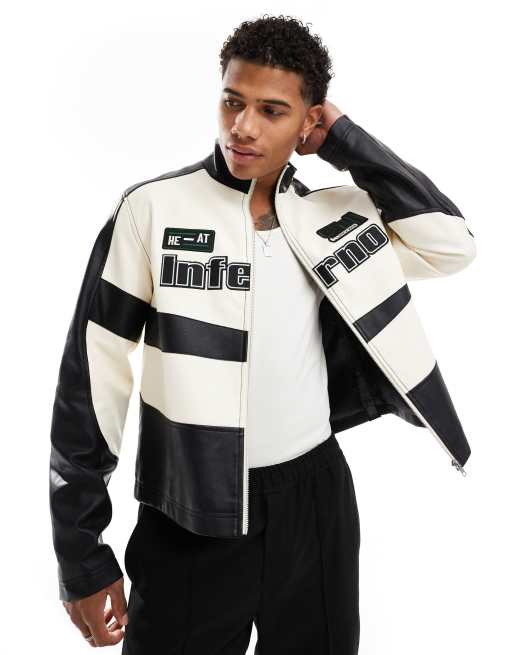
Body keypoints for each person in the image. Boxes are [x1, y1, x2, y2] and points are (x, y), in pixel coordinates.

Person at [49, 14, 476, 654]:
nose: (243, 126)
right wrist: (80, 551)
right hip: (188, 508)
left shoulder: (336, 216)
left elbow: (452, 245)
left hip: (315, 500)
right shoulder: (153, 210)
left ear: (309, 121)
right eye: (232, 101)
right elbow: (89, 381)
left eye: (272, 111)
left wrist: (348, 142)